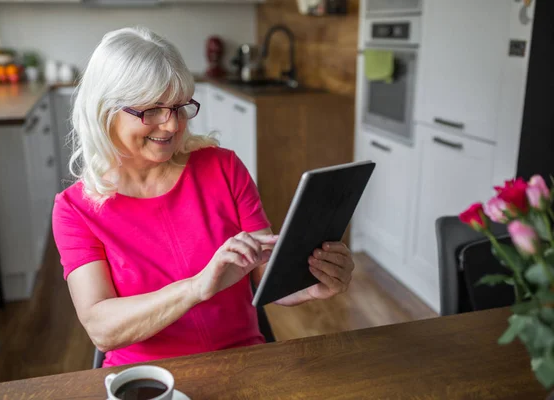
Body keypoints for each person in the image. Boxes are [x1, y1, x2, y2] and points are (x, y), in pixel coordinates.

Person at [52, 27, 356, 368]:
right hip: (147, 378)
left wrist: (310, 283)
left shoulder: (223, 168)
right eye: (151, 109)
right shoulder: (75, 209)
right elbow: (101, 328)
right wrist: (197, 287)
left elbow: (264, 273)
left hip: (244, 361)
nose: (170, 125)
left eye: (180, 107)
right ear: (104, 111)